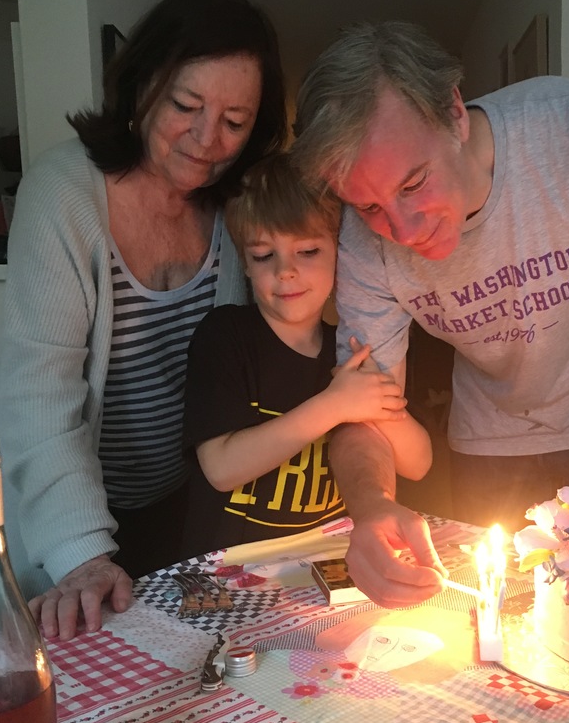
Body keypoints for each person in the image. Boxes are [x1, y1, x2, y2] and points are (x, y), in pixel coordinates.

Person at [291, 20, 569, 608]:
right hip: (489, 441)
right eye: (370, 206)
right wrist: (371, 507)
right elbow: (365, 408)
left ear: (454, 113)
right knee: (501, 622)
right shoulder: (362, 242)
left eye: (414, 183)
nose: (401, 230)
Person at [0, 0, 287, 640]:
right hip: (76, 512)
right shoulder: (63, 193)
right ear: (143, 83)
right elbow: (40, 394)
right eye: (185, 106)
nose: (207, 140)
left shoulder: (236, 207)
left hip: (189, 502)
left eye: (235, 122)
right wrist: (83, 556)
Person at [181, 153, 431, 559]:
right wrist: (335, 405)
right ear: (245, 263)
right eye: (264, 255)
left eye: (308, 251)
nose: (285, 271)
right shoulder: (225, 336)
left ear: (340, 254)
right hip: (230, 576)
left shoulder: (350, 348)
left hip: (322, 570)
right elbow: (221, 468)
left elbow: (418, 463)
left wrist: (377, 404)